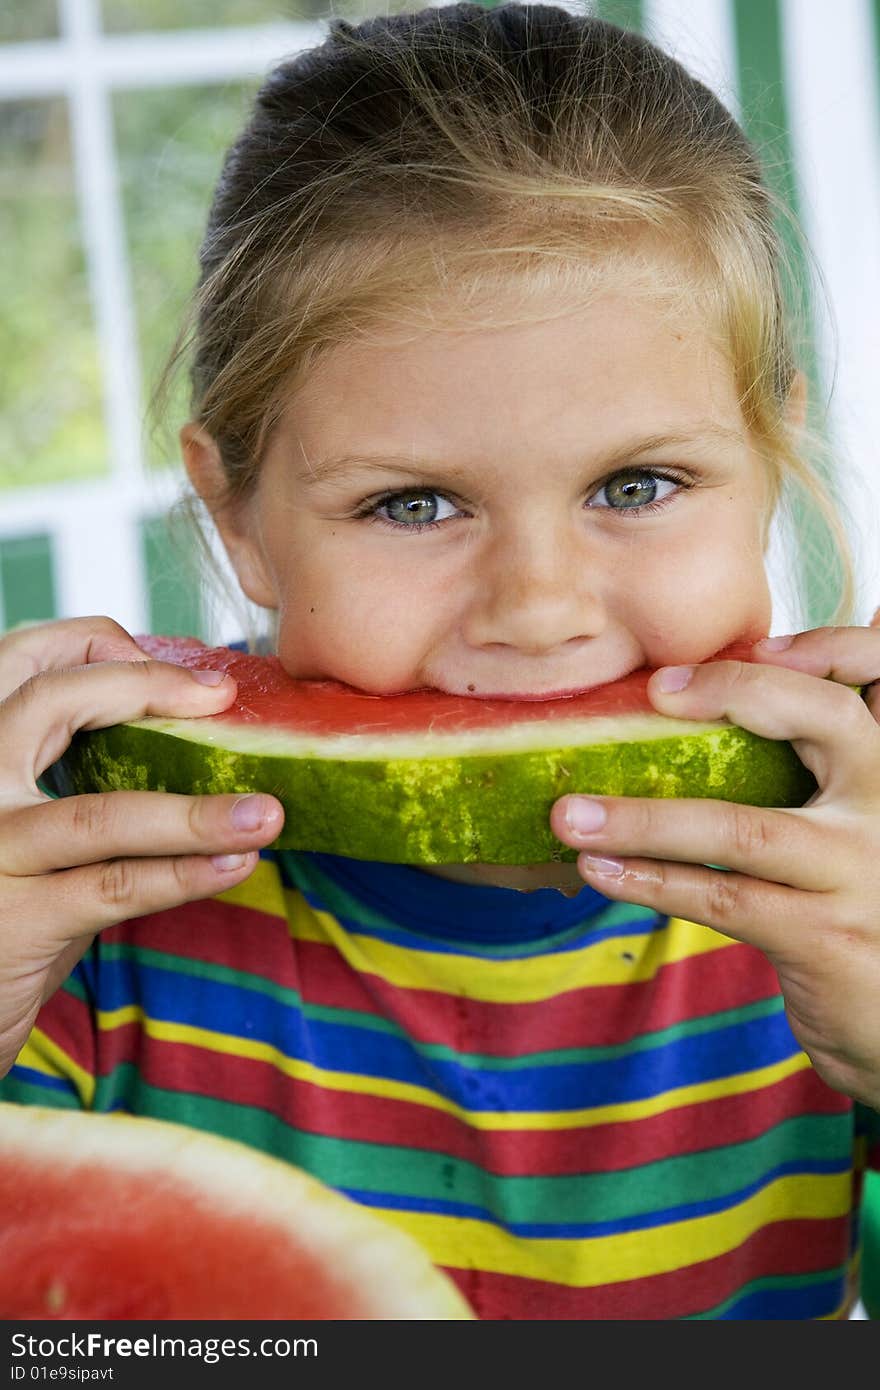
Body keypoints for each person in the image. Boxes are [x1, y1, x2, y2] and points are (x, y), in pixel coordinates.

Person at [1, 3, 879, 1320]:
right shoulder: (87, 923)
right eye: (414, 503)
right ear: (239, 514)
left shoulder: (850, 891)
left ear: (768, 460)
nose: (536, 606)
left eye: (638, 482)